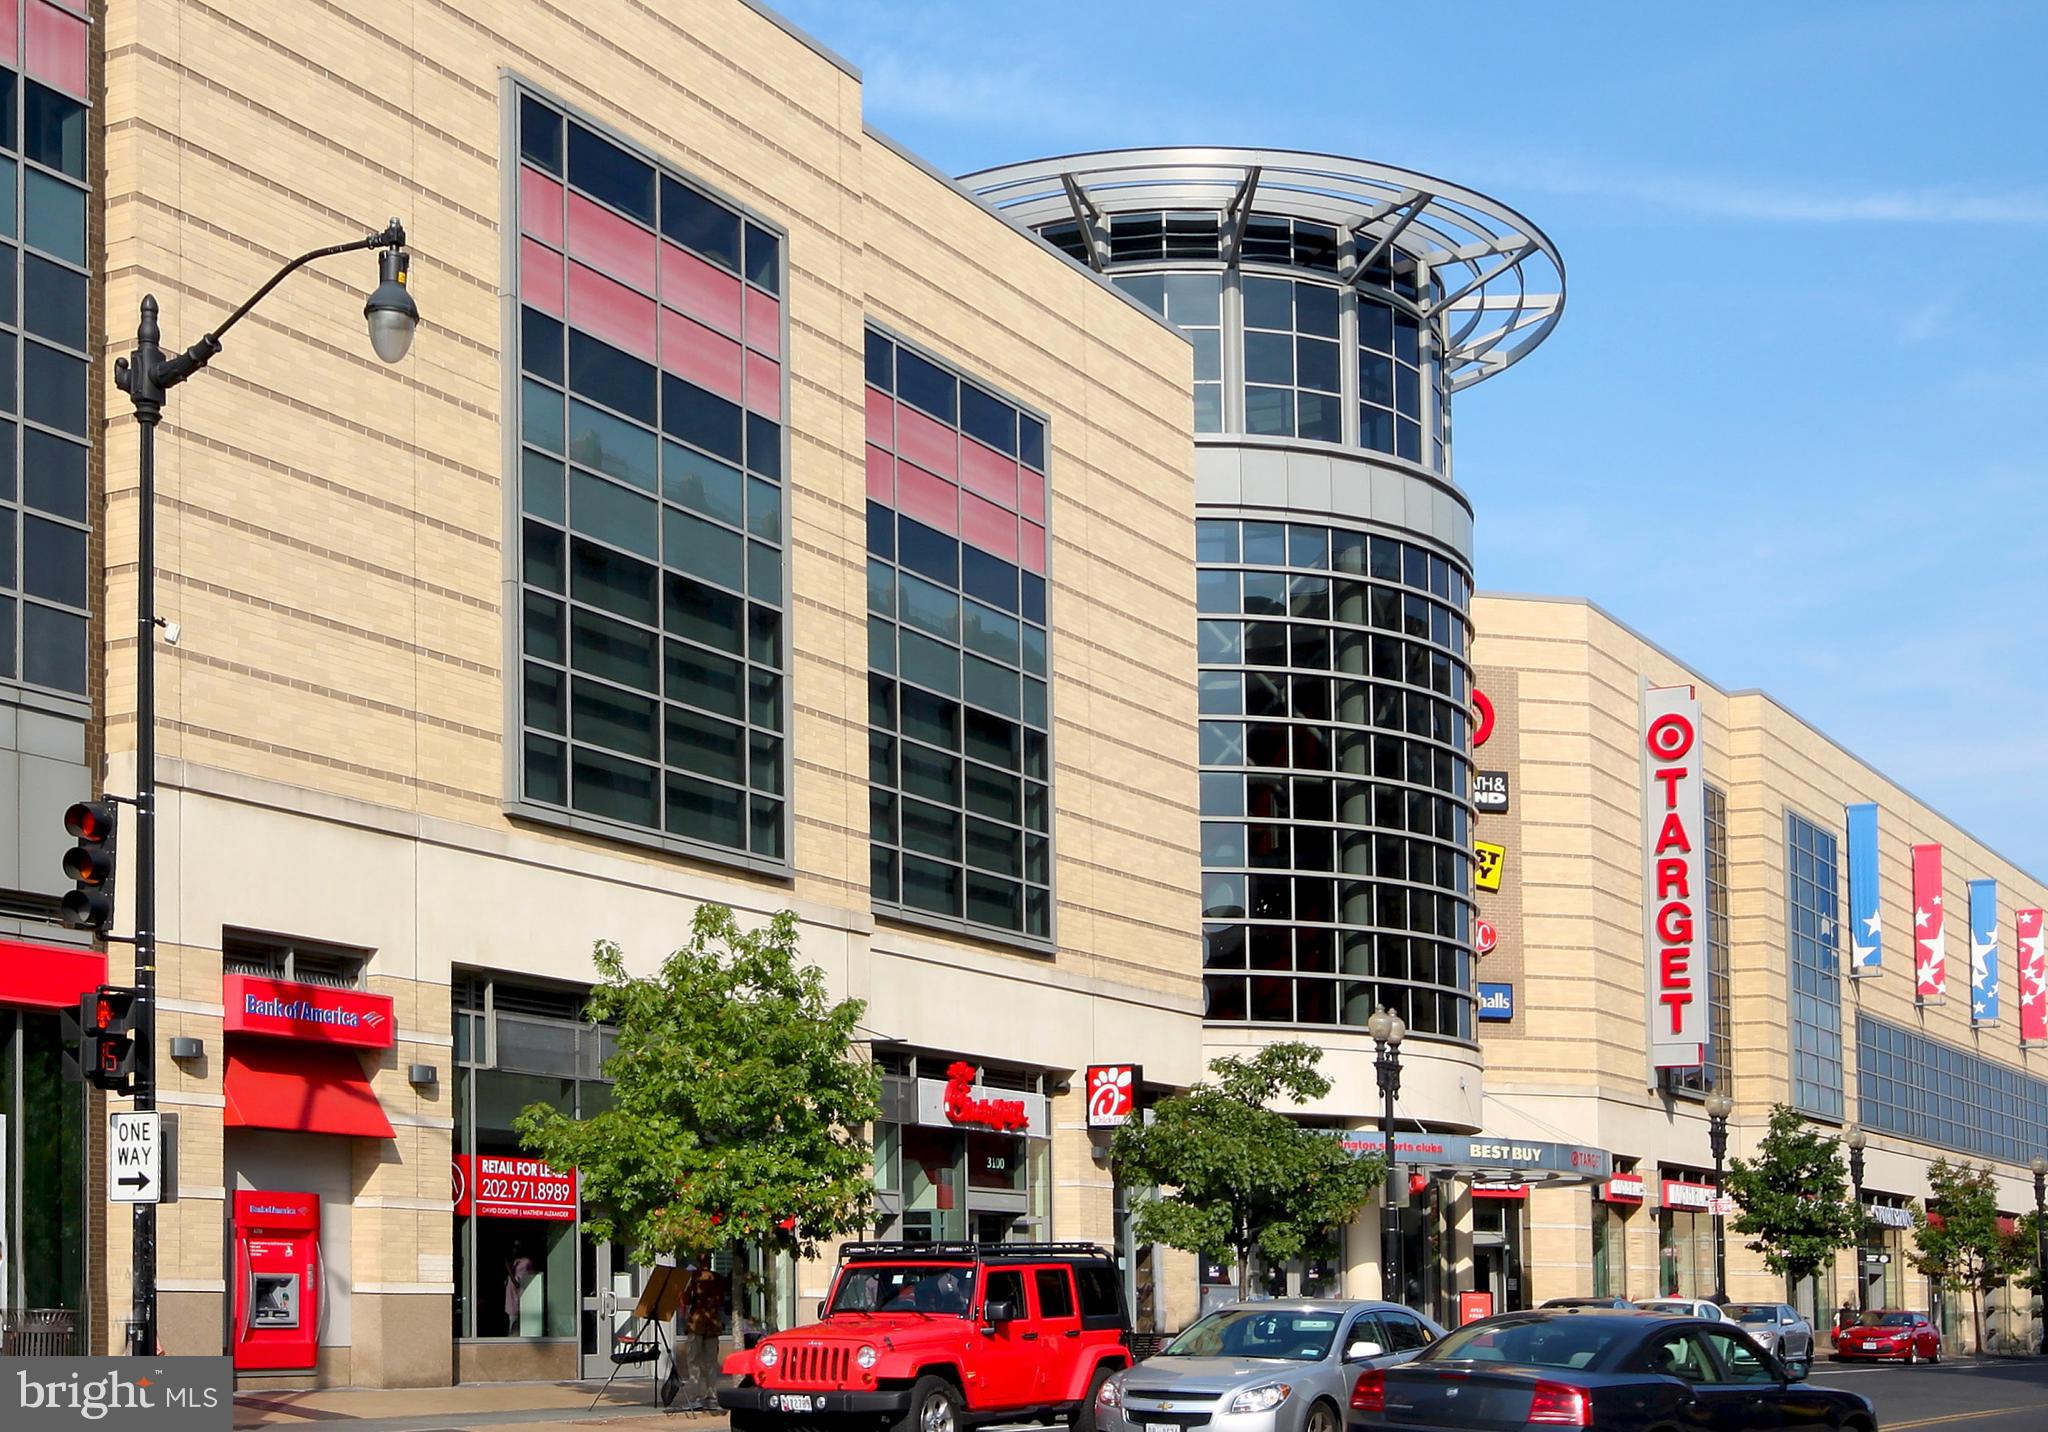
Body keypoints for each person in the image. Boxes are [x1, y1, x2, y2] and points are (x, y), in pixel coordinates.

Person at [675, 1255, 730, 1413]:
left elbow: (685, 1300)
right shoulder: (718, 1278)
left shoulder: (694, 1277)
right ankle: (711, 1395)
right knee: (711, 1362)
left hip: (697, 1322)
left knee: (694, 1361)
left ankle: (696, 1397)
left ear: (699, 1262)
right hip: (713, 1322)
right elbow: (721, 1300)